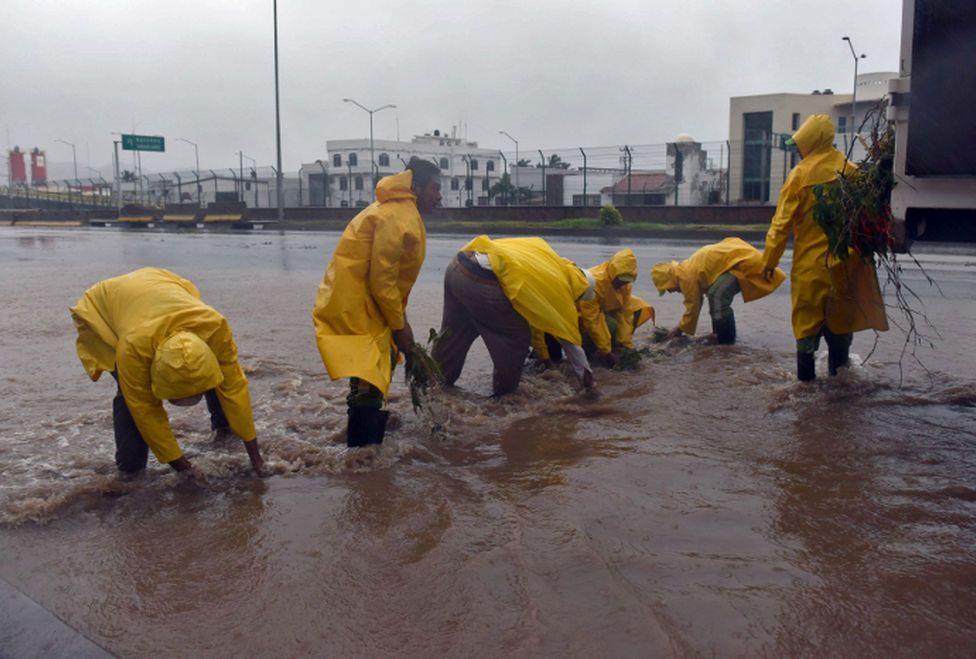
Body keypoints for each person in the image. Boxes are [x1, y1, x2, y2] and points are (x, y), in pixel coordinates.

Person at [69, 267, 265, 476]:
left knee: (209, 368)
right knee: (129, 398)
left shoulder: (215, 326)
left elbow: (234, 388)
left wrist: (257, 460)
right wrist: (185, 470)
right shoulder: (133, 348)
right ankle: (131, 470)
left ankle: (225, 430)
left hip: (161, 284)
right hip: (103, 309)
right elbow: (145, 408)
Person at [312, 157, 442, 447]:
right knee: (368, 379)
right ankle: (362, 458)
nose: (439, 195)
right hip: (357, 305)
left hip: (364, 303)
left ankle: (362, 450)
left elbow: (391, 281)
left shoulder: (401, 213)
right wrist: (399, 326)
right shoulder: (399, 217)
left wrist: (400, 320)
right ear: (417, 187)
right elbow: (382, 281)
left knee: (370, 375)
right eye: (434, 188)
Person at [760, 114, 887, 381]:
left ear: (809, 140)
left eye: (799, 143)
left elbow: (780, 225)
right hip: (846, 265)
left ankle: (805, 391)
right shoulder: (851, 171)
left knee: (806, 330)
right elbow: (870, 220)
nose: (797, 149)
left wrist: (769, 262)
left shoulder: (800, 176)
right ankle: (839, 389)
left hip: (810, 270)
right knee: (840, 327)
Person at [432, 235, 597, 397]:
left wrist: (545, 358)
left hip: (459, 265)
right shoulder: (561, 294)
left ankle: (434, 386)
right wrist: (588, 385)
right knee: (516, 339)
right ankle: (504, 399)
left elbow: (536, 325)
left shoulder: (548, 260)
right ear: (579, 291)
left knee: (454, 334)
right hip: (483, 283)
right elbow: (572, 346)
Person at [650, 237, 785, 344]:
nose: (670, 292)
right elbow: (697, 302)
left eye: (667, 288)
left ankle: (725, 340)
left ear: (670, 280)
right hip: (739, 260)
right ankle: (719, 337)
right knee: (715, 296)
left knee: (717, 295)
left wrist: (678, 330)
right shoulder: (685, 270)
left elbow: (693, 307)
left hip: (743, 263)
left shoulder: (685, 277)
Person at [578, 248, 655, 366]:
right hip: (581, 317)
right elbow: (592, 320)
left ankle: (616, 346)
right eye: (620, 281)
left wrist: (626, 346)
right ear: (613, 273)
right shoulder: (594, 282)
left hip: (604, 311)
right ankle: (590, 350)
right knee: (611, 324)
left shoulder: (625, 285)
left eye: (626, 282)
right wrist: (607, 352)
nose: (622, 285)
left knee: (638, 306)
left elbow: (626, 314)